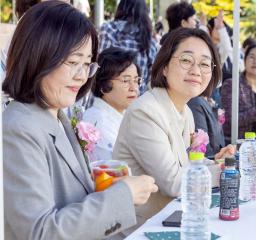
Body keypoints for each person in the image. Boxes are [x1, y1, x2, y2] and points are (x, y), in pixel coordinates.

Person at [2, 2, 158, 239]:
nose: (82, 75)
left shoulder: (58, 116)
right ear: (38, 56)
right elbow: (40, 232)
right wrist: (122, 195)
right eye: (73, 62)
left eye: (87, 64)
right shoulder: (18, 129)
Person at [112, 28, 235, 223]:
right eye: (186, 60)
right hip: (142, 228)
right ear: (164, 66)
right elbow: (175, 183)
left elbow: (185, 166)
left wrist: (218, 162)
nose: (196, 70)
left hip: (174, 218)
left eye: (204, 64)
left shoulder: (185, 111)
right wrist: (225, 172)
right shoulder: (145, 112)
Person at [83, 47, 140, 161]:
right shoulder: (99, 123)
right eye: (125, 80)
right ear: (104, 86)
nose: (134, 88)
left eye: (136, 80)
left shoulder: (125, 114)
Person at [99, 0, 157, 95]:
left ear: (121, 9)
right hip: (136, 100)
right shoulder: (150, 41)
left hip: (109, 98)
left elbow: (100, 67)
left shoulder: (109, 30)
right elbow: (152, 78)